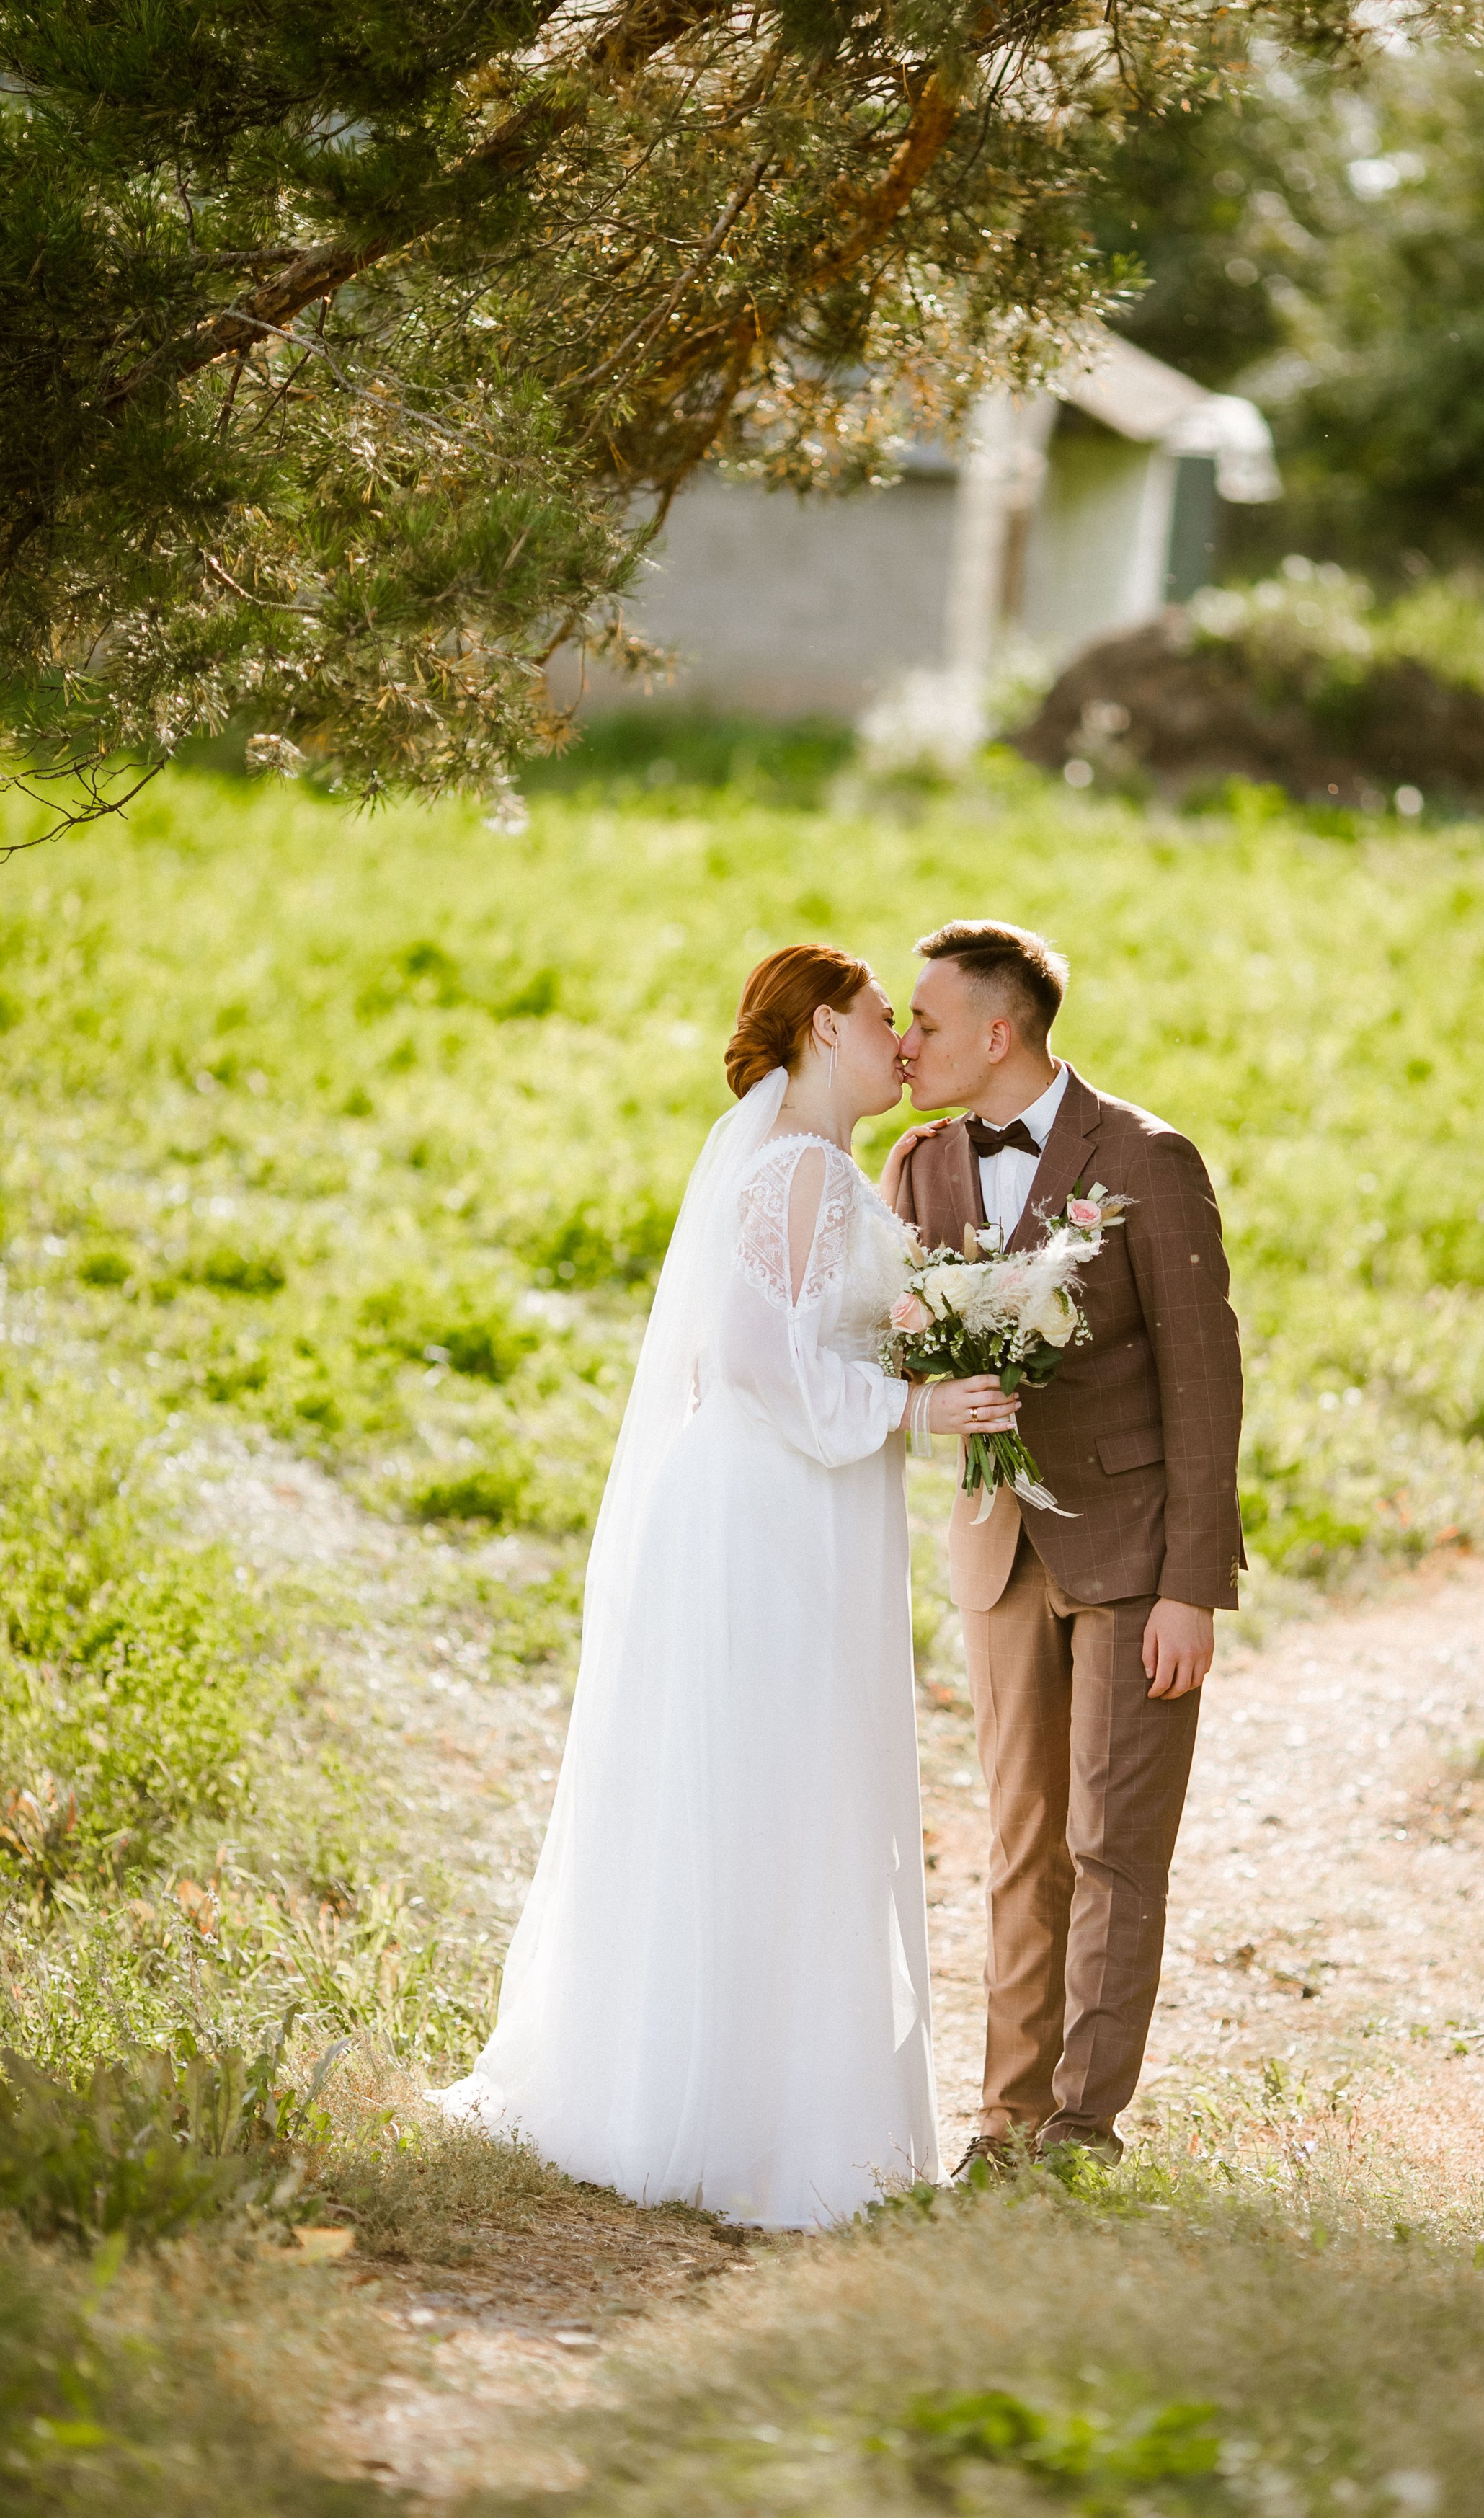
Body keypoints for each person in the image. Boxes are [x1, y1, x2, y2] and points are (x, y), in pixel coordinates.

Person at [437, 946, 1016, 2228]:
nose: (904, 1045)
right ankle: (736, 2114)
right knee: (770, 1784)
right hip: (768, 1516)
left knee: (770, 1785)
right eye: (884, 1021)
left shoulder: (820, 1171)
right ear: (824, 1030)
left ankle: (744, 2090)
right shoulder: (801, 1169)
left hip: (797, 1502)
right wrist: (914, 1406)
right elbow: (753, 1361)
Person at [884, 920, 1245, 2174]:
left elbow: (1207, 1383)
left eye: (924, 1022)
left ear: (999, 1033)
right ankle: (1003, 2122)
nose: (903, 1040)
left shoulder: (1147, 1156)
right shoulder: (919, 1162)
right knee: (1021, 1841)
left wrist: (1194, 1586)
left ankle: (1081, 2134)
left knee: (1113, 1840)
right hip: (997, 1550)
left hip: (1136, 1555)